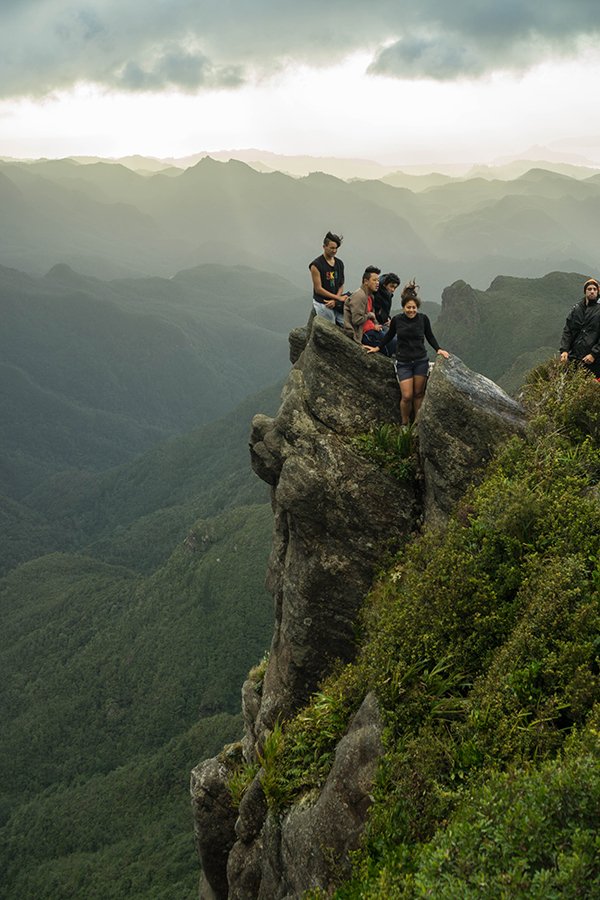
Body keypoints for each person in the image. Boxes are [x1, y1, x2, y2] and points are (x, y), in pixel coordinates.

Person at [366, 280, 449, 425]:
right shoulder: (397, 320)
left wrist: (438, 349)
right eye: (408, 307)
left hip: (420, 361)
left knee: (418, 394)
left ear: (417, 307)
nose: (411, 310)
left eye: (414, 307)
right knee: (407, 396)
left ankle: (417, 423)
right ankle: (405, 423)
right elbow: (389, 335)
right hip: (403, 362)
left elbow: (429, 336)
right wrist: (378, 348)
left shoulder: (423, 319)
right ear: (403, 307)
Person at [560, 277, 600, 376]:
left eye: (595, 289)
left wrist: (593, 354)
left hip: (593, 361)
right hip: (574, 357)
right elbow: (568, 330)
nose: (592, 291)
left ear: (598, 292)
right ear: (585, 291)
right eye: (589, 289)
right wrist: (564, 350)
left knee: (591, 388)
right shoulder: (576, 309)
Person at [309, 231, 346, 326]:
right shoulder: (316, 265)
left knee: (346, 324)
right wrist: (338, 298)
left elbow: (341, 284)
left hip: (335, 301)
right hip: (323, 302)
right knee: (331, 327)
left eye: (336, 248)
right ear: (324, 247)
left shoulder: (339, 263)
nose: (334, 251)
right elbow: (318, 289)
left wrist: (336, 300)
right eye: (331, 248)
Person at [343, 266, 382, 344]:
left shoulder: (370, 296)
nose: (377, 283)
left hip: (371, 329)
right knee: (393, 343)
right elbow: (357, 320)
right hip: (362, 334)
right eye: (374, 280)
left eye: (378, 280)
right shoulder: (359, 296)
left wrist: (376, 325)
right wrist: (369, 315)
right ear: (366, 281)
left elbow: (372, 315)